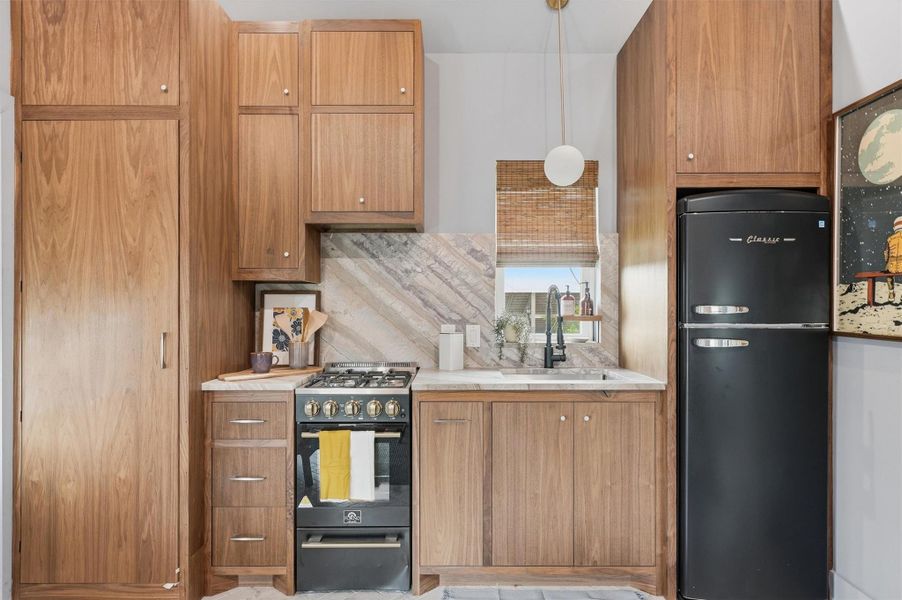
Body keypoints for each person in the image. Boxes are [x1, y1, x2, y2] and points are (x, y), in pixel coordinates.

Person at [884, 216, 902, 301]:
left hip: (892, 266)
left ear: (894, 228)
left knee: (888, 272)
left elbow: (886, 254)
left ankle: (891, 293)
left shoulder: (890, 239)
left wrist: (887, 262)